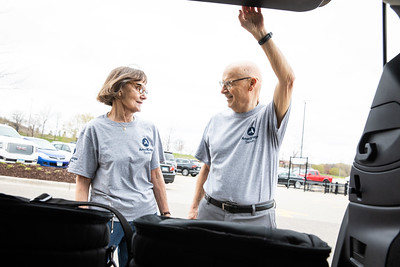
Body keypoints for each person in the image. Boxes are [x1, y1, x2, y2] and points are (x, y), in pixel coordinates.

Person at [188, 6, 295, 227]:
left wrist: (260, 33)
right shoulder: (215, 121)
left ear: (251, 84)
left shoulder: (268, 118)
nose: (222, 90)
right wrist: (194, 206)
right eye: (222, 83)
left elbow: (287, 80)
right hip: (210, 213)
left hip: (255, 219)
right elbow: (207, 168)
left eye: (228, 83)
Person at [68, 66, 170, 267]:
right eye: (138, 87)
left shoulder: (149, 129)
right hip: (108, 219)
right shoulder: (94, 130)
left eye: (145, 90)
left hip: (144, 219)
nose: (144, 95)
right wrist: (85, 219)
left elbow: (156, 176)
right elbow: (82, 181)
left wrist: (165, 216)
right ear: (119, 88)